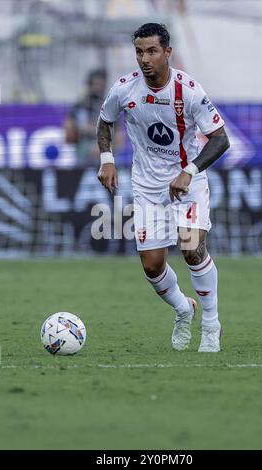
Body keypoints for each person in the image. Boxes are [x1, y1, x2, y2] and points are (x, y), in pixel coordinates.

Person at [96, 23, 230, 352]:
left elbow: (220, 139)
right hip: (146, 187)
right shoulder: (125, 89)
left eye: (152, 51)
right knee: (152, 266)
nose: (145, 59)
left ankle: (211, 325)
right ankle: (184, 310)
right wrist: (107, 158)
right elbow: (105, 120)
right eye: (139, 52)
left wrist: (190, 170)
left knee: (191, 248)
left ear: (167, 53)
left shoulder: (190, 91)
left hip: (187, 182)